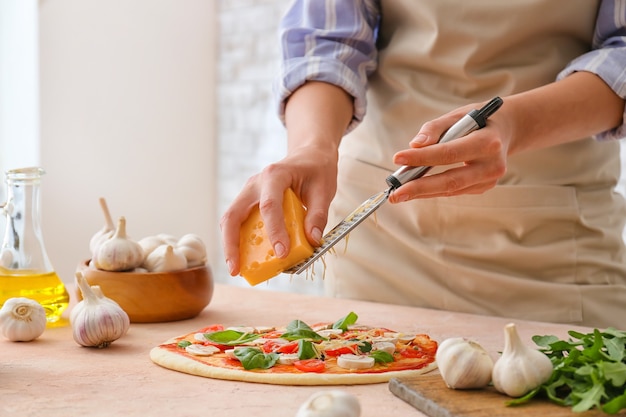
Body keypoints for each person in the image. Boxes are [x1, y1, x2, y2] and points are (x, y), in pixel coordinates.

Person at [221, 0, 626, 329]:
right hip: (381, 249)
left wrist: (517, 125)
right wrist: (312, 146)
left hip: (553, 250)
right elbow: (326, 40)